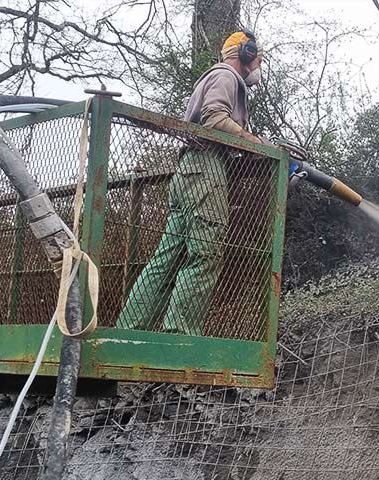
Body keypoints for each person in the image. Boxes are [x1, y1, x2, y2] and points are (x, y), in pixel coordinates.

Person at [117, 29, 300, 335]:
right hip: (205, 168)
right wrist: (259, 144)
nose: (258, 66)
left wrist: (252, 151)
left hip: (188, 170)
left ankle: (129, 330)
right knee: (205, 252)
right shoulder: (227, 77)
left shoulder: (213, 77)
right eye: (258, 59)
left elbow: (215, 124)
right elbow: (215, 118)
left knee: (168, 256)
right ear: (246, 54)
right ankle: (180, 336)